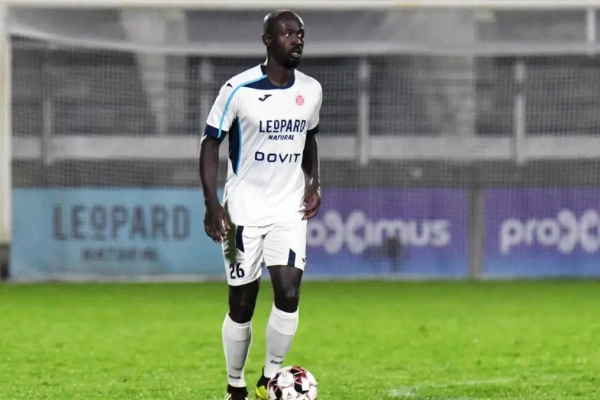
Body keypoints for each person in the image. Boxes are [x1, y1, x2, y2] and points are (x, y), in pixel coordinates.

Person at [199, 10, 323, 400]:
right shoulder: (238, 89)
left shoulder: (311, 90)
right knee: (241, 303)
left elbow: (309, 138)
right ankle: (234, 384)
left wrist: (315, 182)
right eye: (288, 33)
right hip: (241, 213)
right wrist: (212, 203)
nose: (297, 39)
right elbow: (210, 143)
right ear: (268, 40)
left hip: (289, 210)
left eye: (301, 34)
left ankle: (270, 378)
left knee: (289, 292)